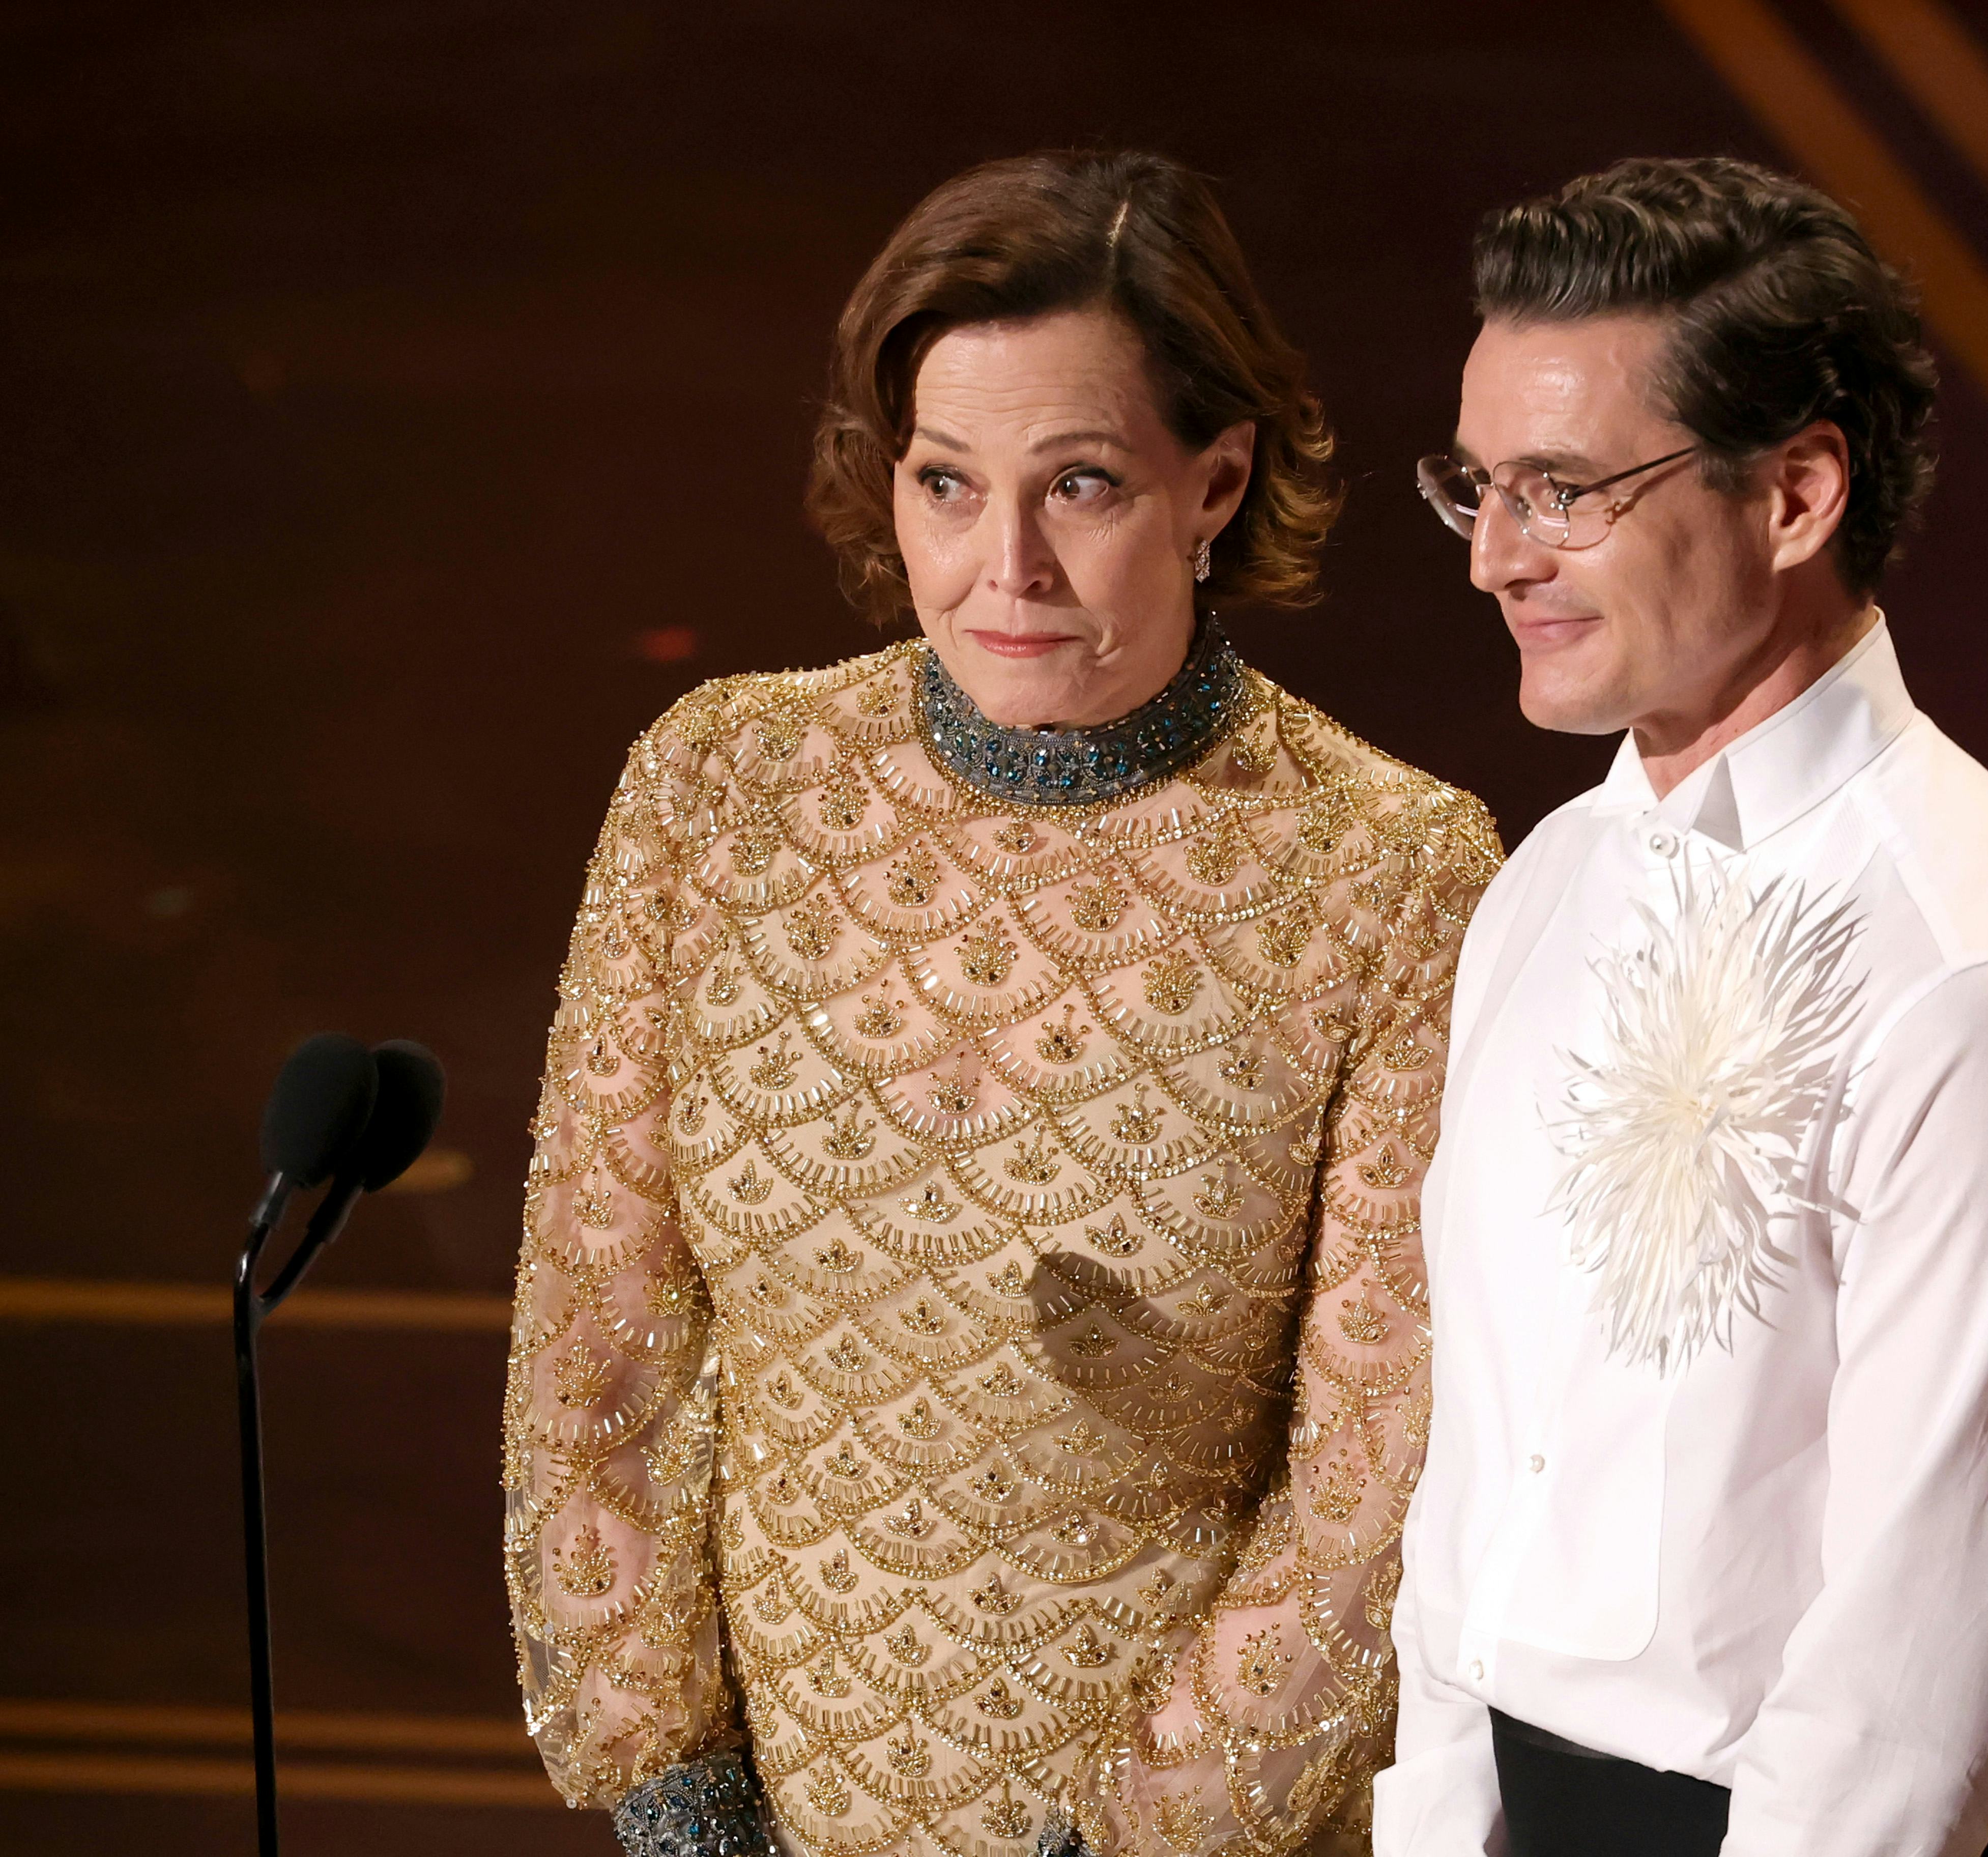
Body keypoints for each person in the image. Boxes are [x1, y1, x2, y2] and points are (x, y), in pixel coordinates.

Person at [502, 150, 1501, 1857]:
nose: (1006, 566)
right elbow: (595, 1349)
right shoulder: (718, 792)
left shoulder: (1388, 876)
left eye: (1084, 484)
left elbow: (1378, 1482)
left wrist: (1132, 1841)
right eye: (947, 484)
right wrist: (676, 1794)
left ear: (1218, 481)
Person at [1373, 157, 1988, 1857]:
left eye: (1563, 490)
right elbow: (1476, 1502)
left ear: (1798, 494)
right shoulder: (1547, 883)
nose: (1496, 561)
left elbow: (1912, 1702)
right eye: (1479, 488)